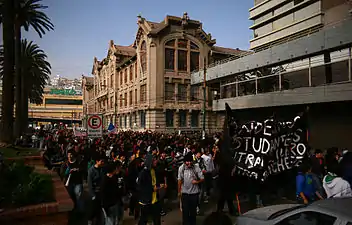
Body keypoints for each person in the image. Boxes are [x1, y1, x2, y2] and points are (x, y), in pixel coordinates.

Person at [178, 152, 204, 225]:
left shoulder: (196, 167)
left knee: (193, 212)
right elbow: (179, 180)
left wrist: (197, 182)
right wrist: (179, 191)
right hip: (185, 194)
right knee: (185, 212)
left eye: (190, 161)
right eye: (187, 161)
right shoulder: (181, 168)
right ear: (184, 162)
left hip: (194, 194)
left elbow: (202, 178)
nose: (189, 163)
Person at [137, 154, 162, 225]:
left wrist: (158, 186)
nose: (156, 161)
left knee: (157, 219)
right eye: (154, 160)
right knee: (144, 219)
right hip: (146, 201)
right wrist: (152, 189)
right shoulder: (143, 173)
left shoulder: (154, 170)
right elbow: (140, 187)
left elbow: (155, 182)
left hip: (155, 199)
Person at [87, 154, 105, 225]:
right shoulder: (91, 170)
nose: (103, 163)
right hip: (95, 192)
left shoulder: (102, 169)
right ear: (97, 161)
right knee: (93, 209)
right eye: (101, 161)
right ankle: (90, 220)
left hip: (101, 192)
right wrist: (93, 195)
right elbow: (90, 184)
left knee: (99, 210)